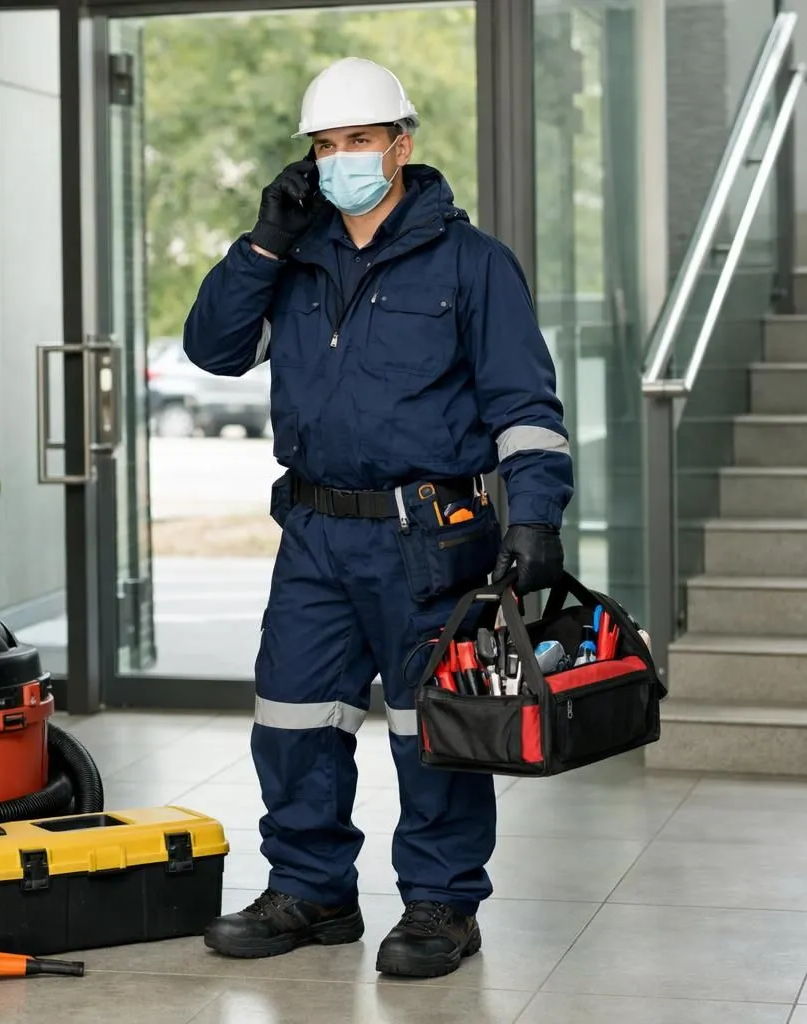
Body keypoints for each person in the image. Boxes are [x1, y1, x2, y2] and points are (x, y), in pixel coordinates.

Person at [181, 57, 573, 979]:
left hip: (430, 537)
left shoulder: (472, 263)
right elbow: (213, 348)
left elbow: (524, 402)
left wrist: (536, 520)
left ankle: (440, 905)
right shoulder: (295, 261)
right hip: (315, 532)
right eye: (325, 146)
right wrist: (262, 244)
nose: (341, 159)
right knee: (292, 718)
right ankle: (311, 890)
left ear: (402, 146)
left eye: (360, 141)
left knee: (430, 727)